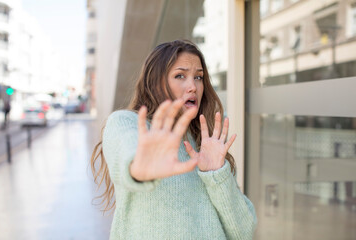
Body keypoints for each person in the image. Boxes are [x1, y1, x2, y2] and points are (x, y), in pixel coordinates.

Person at [91, 40, 257, 240]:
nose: (193, 86)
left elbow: (244, 232)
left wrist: (216, 175)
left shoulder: (209, 143)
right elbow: (127, 149)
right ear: (155, 82)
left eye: (198, 77)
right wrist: (138, 168)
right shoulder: (127, 123)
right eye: (180, 75)